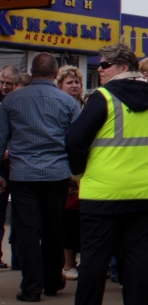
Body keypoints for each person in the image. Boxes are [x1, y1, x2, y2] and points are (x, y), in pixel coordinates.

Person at [65, 43, 148, 305]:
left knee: (94, 261)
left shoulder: (102, 98)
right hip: (146, 192)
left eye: (104, 65)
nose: (99, 70)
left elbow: (75, 140)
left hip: (103, 193)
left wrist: (77, 173)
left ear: (123, 67)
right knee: (138, 259)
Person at [0, 54, 80, 302]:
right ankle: (53, 280)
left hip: (22, 174)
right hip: (56, 174)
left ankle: (31, 286)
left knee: (27, 230)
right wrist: (74, 174)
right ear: (56, 75)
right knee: (53, 227)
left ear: (30, 72)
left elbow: (1, 138)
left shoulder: (11, 100)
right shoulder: (68, 102)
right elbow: (76, 141)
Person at [55, 66, 86, 280]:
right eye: (69, 82)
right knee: (69, 218)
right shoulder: (57, 104)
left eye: (77, 82)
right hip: (64, 167)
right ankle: (67, 263)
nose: (74, 86)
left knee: (82, 218)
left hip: (85, 168)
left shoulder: (86, 105)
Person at [0, 64, 21, 270]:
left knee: (19, 215)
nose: (5, 87)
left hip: (17, 165)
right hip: (2, 166)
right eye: (2, 82)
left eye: (9, 83)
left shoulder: (17, 103)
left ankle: (18, 258)